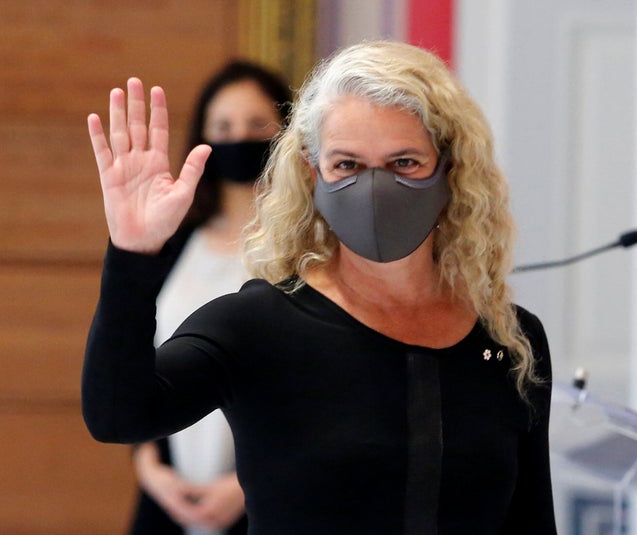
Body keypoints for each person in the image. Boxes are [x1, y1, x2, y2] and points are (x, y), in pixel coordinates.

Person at [83, 40, 557, 534]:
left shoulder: (508, 341)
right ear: (313, 175)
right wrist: (132, 254)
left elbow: (531, 520)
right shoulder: (257, 325)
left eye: (404, 163)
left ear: (449, 169)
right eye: (347, 164)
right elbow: (119, 415)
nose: (375, 189)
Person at [126, 60, 292, 535]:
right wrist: (149, 466)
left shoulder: (308, 248)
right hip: (167, 500)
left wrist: (247, 483)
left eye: (256, 125)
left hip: (269, 498)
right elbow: (136, 356)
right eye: (222, 127)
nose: (238, 138)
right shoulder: (173, 241)